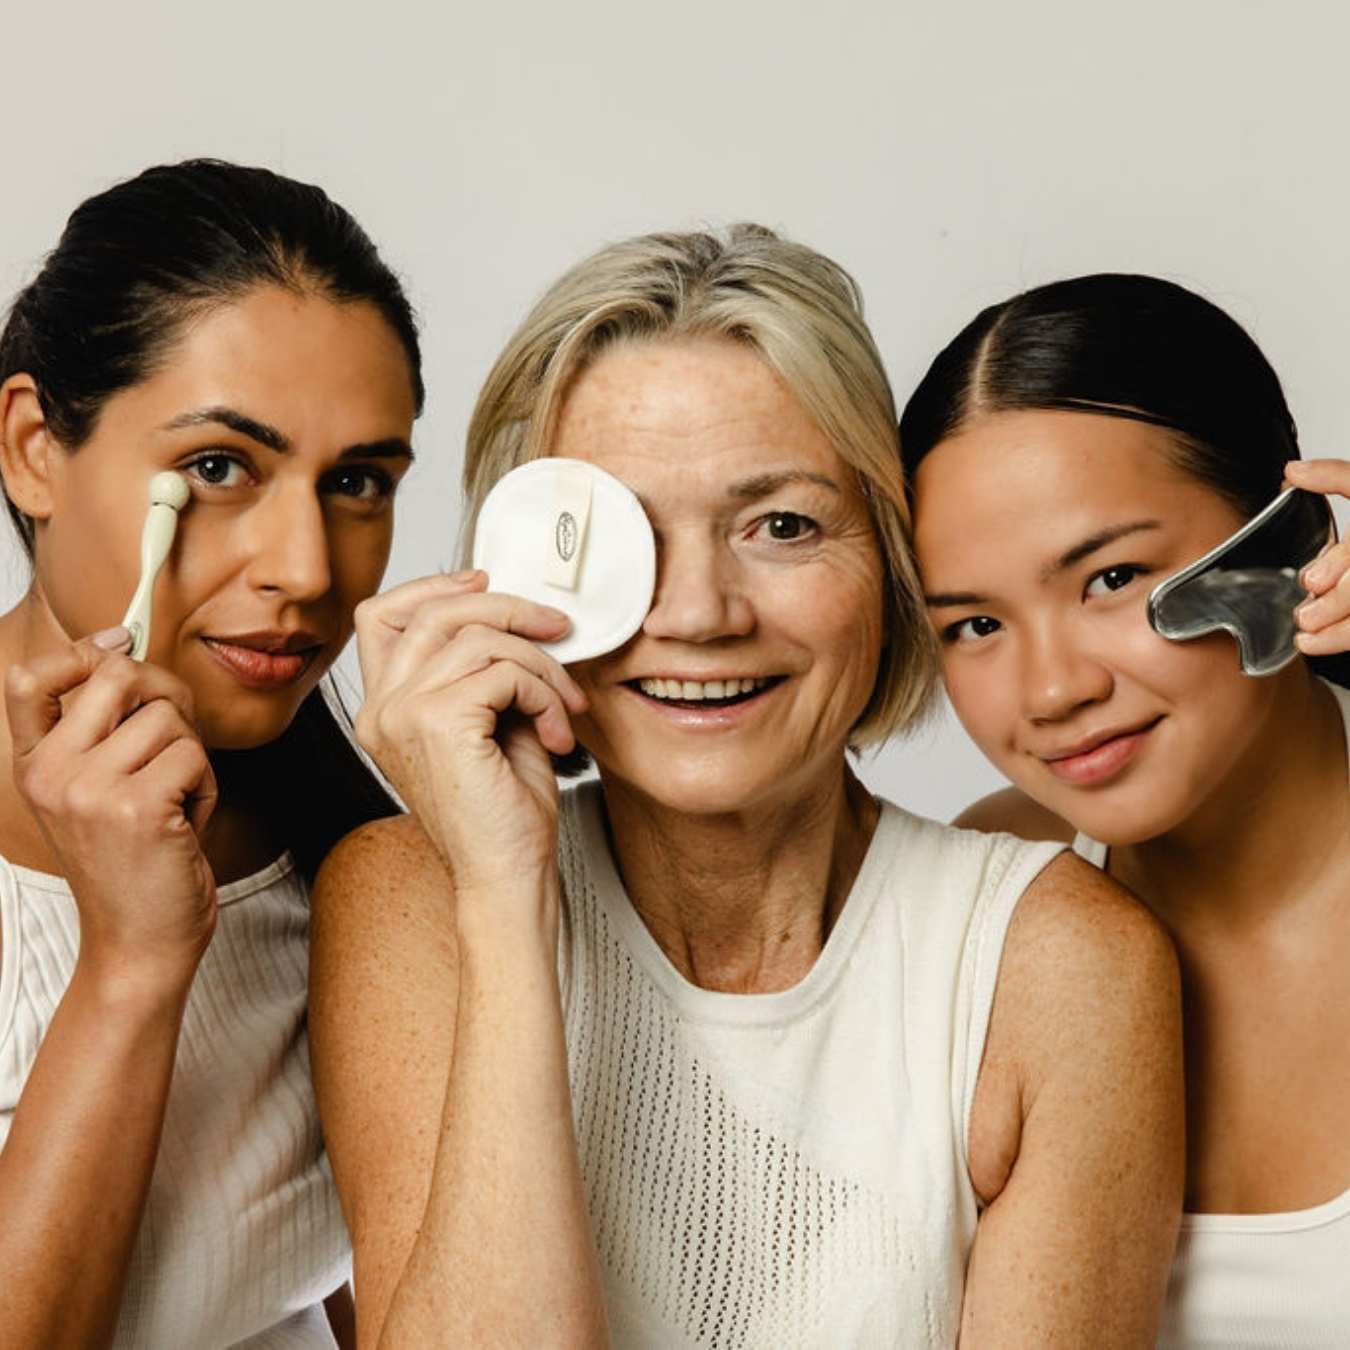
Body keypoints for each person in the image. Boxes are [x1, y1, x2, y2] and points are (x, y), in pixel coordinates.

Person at [310, 226, 1184, 1348]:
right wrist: (502, 897)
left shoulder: (1061, 966)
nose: (701, 615)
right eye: (617, 540)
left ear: (892, 561)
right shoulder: (412, 902)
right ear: (517, 577)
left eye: (783, 526)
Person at [0, 159, 422, 1348]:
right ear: (35, 447)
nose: (305, 568)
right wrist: (133, 966)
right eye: (219, 469)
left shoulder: (355, 866)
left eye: (355, 483)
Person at [900, 272, 1350, 1348]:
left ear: (1287, 538)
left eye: (1109, 579)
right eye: (972, 626)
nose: (1052, 692)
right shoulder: (994, 892)